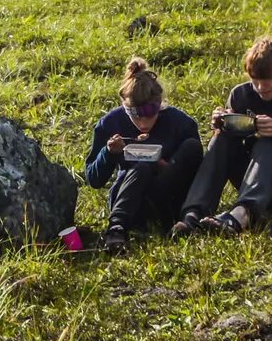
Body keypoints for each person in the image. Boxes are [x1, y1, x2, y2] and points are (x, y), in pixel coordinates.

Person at [176, 37, 272, 234]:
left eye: (267, 81)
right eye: (255, 81)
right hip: (256, 177)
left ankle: (241, 215)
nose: (260, 88)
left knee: (267, 143)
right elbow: (230, 145)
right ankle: (193, 215)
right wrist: (222, 124)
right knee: (221, 139)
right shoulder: (241, 95)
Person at [81, 58, 200, 246]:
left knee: (192, 146)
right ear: (124, 106)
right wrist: (109, 152)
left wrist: (165, 167)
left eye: (150, 114)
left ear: (160, 104)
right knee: (142, 167)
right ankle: (117, 228)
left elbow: (195, 172)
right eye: (136, 115)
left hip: (168, 194)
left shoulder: (180, 124)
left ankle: (185, 219)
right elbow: (94, 179)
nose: (143, 124)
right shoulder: (111, 124)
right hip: (130, 197)